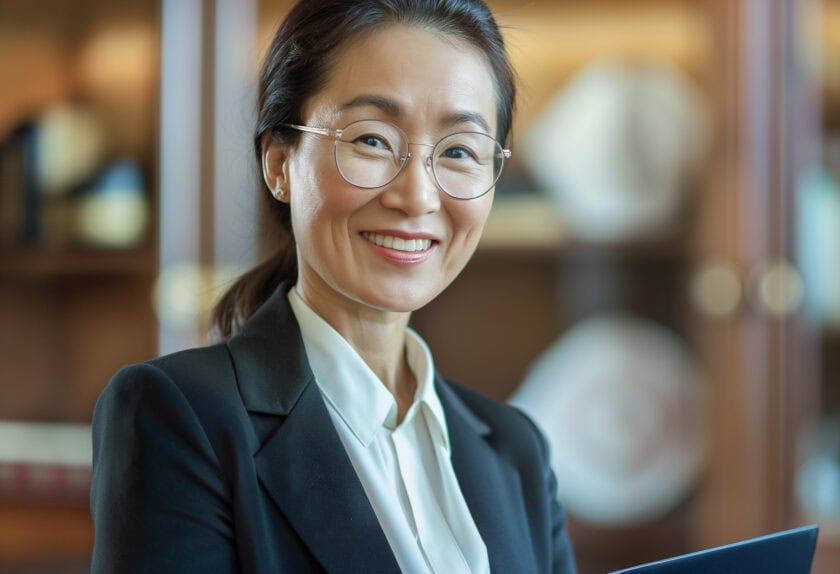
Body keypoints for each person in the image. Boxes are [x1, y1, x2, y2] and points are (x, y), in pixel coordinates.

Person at [89, 0, 576, 572]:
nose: (417, 197)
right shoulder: (181, 416)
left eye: (460, 152)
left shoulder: (517, 451)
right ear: (279, 162)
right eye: (372, 140)